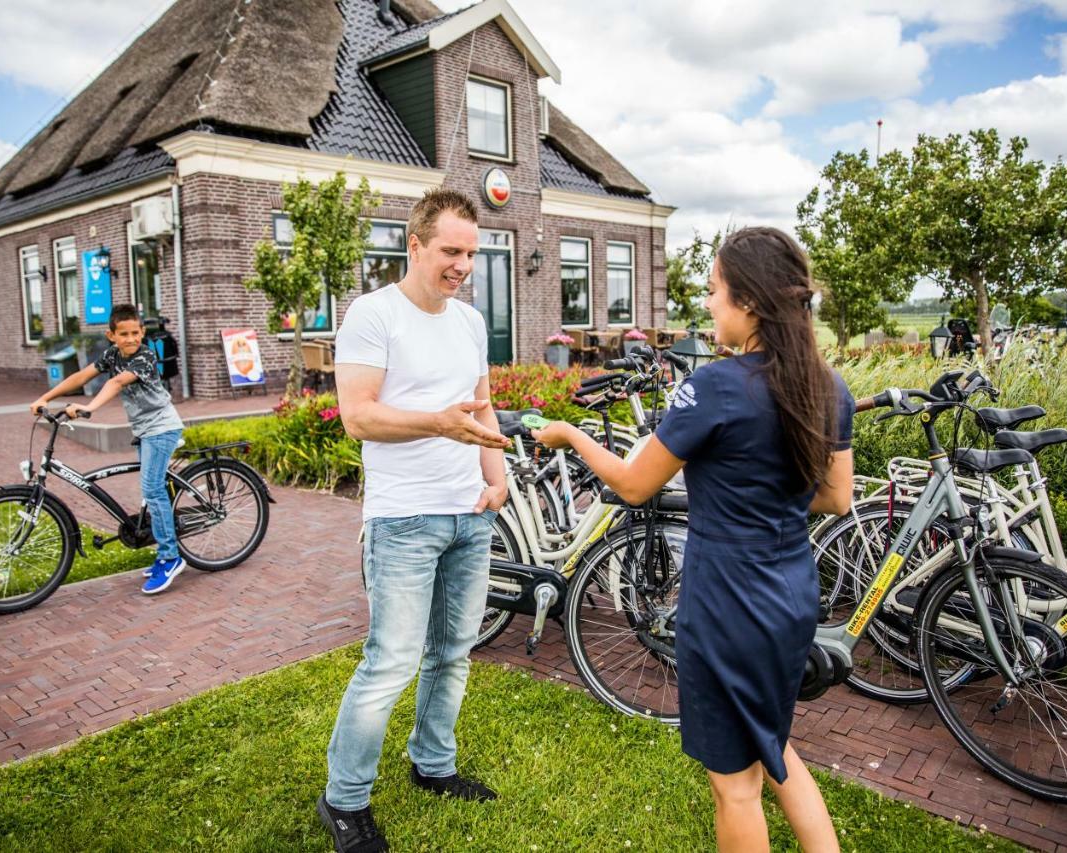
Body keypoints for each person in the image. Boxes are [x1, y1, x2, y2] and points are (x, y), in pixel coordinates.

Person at [533, 227, 853, 853]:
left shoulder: (713, 386)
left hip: (727, 604)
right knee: (774, 746)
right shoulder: (829, 385)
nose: (707, 304)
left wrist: (570, 435)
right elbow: (835, 498)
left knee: (735, 787)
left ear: (751, 302)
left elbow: (631, 484)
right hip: (791, 597)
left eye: (714, 291)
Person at [317, 189, 509, 853]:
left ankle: (434, 764)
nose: (462, 265)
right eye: (451, 251)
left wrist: (497, 478)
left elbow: (480, 405)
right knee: (392, 660)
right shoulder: (373, 315)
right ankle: (344, 799)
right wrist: (437, 423)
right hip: (403, 520)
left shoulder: (470, 321)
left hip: (468, 516)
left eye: (470, 254)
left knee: (453, 651)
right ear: (417, 245)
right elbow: (359, 415)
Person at [29, 303, 187, 595]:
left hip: (162, 428)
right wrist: (45, 397)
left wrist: (88, 407)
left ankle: (170, 557)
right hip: (143, 430)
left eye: (135, 332)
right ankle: (163, 544)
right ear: (111, 335)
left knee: (152, 489)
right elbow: (81, 376)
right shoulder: (112, 355)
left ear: (142, 332)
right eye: (124, 334)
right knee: (152, 491)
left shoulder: (145, 356)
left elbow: (116, 382)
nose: (131, 339)